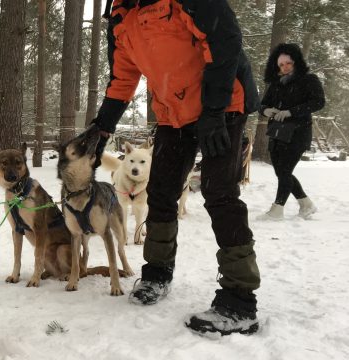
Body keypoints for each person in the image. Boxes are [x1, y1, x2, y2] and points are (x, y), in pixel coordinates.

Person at [87, 0, 261, 336]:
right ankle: (156, 274)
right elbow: (123, 77)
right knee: (161, 192)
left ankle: (239, 300)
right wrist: (102, 128)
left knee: (219, 192)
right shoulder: (122, 16)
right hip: (172, 113)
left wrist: (213, 111)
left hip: (223, 105)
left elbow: (225, 42)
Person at [258, 43, 324, 220]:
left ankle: (277, 209)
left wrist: (291, 112)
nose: (285, 67)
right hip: (277, 133)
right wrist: (266, 111)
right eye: (281, 64)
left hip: (298, 133)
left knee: (285, 171)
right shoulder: (276, 84)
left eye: (288, 63)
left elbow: (319, 102)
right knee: (281, 172)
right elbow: (262, 104)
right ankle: (306, 204)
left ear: (296, 62)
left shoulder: (309, 80)